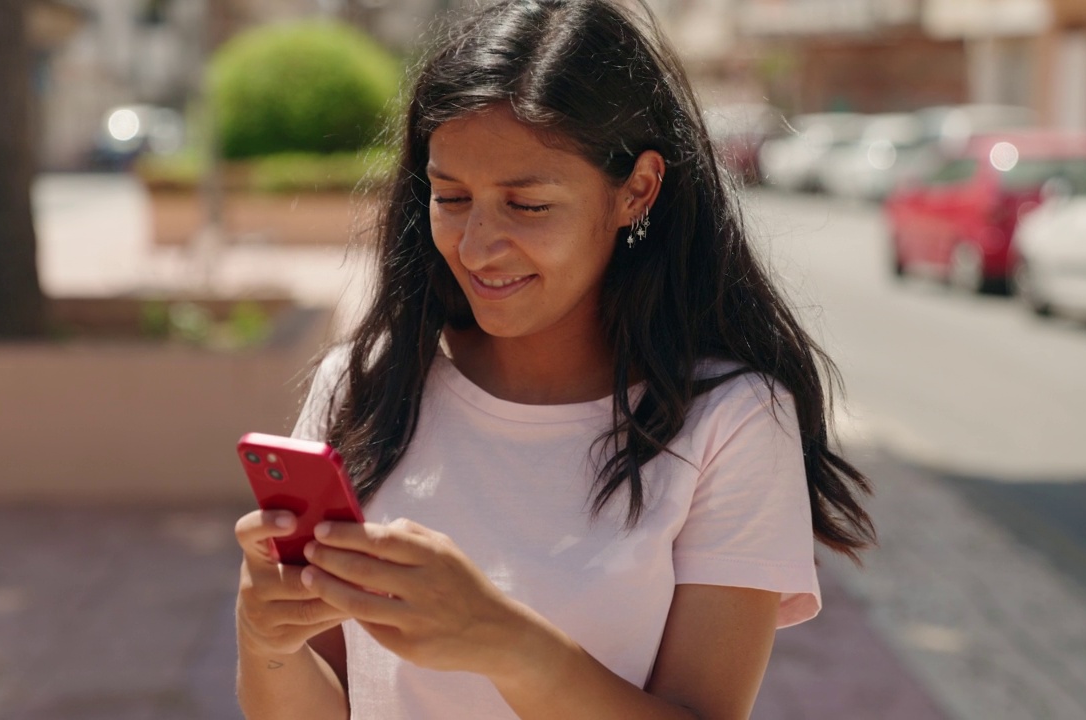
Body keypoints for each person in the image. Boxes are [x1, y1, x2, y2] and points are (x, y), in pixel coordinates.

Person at [233, 0, 875, 717]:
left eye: (528, 206)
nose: (477, 246)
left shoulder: (732, 422)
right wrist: (266, 638)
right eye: (450, 197)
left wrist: (503, 642)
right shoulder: (367, 385)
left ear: (638, 190)